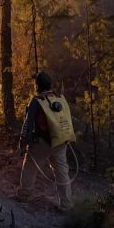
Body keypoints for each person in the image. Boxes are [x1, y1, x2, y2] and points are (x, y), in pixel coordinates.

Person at [18, 71, 76, 210]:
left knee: (29, 167)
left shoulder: (36, 101)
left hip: (42, 143)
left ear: (37, 85)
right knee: (62, 172)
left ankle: (24, 195)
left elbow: (28, 124)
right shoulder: (60, 98)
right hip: (61, 141)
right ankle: (66, 205)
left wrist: (22, 143)